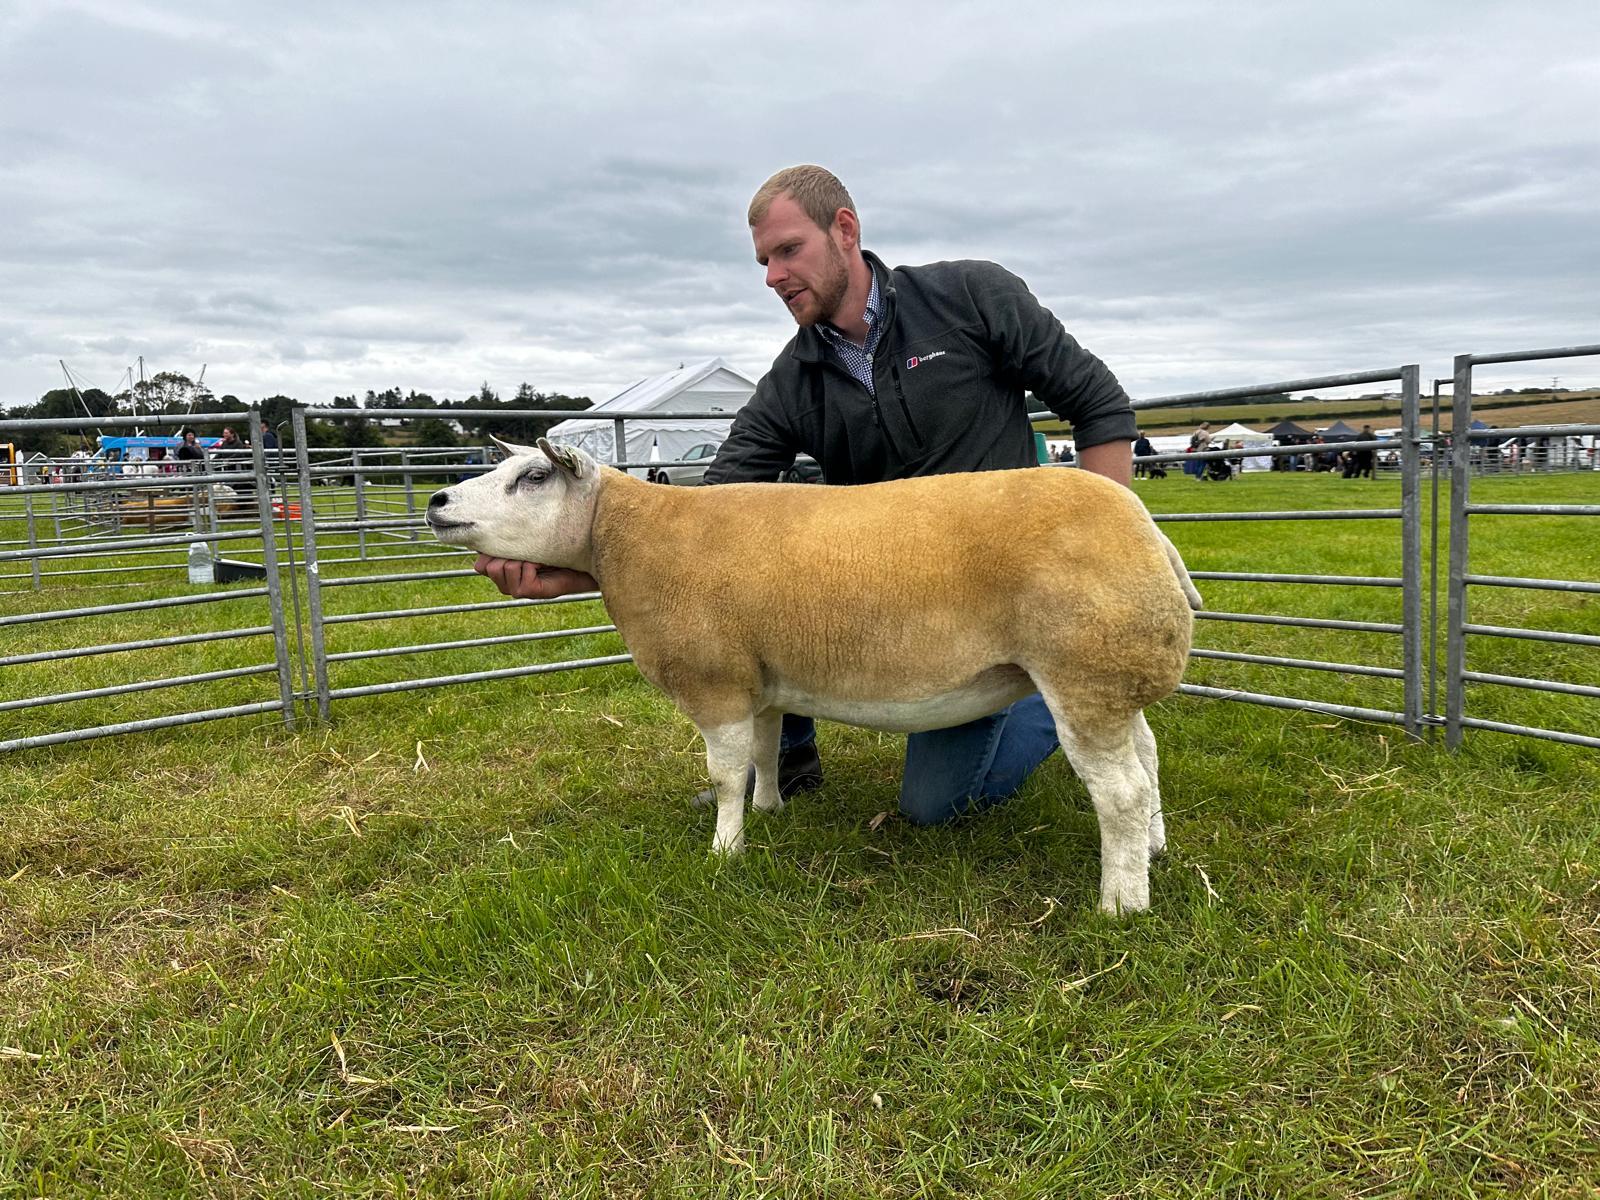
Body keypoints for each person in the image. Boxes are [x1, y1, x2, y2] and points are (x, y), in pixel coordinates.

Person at [475, 164, 1137, 825]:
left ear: (844, 229)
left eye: (789, 250)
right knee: (761, 600)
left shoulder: (970, 296)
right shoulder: (794, 380)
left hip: (1003, 587)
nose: (772, 275)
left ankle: (1054, 692)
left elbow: (1098, 403)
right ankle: (789, 765)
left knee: (936, 808)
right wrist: (572, 574)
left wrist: (1095, 573)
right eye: (764, 260)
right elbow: (697, 530)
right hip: (885, 603)